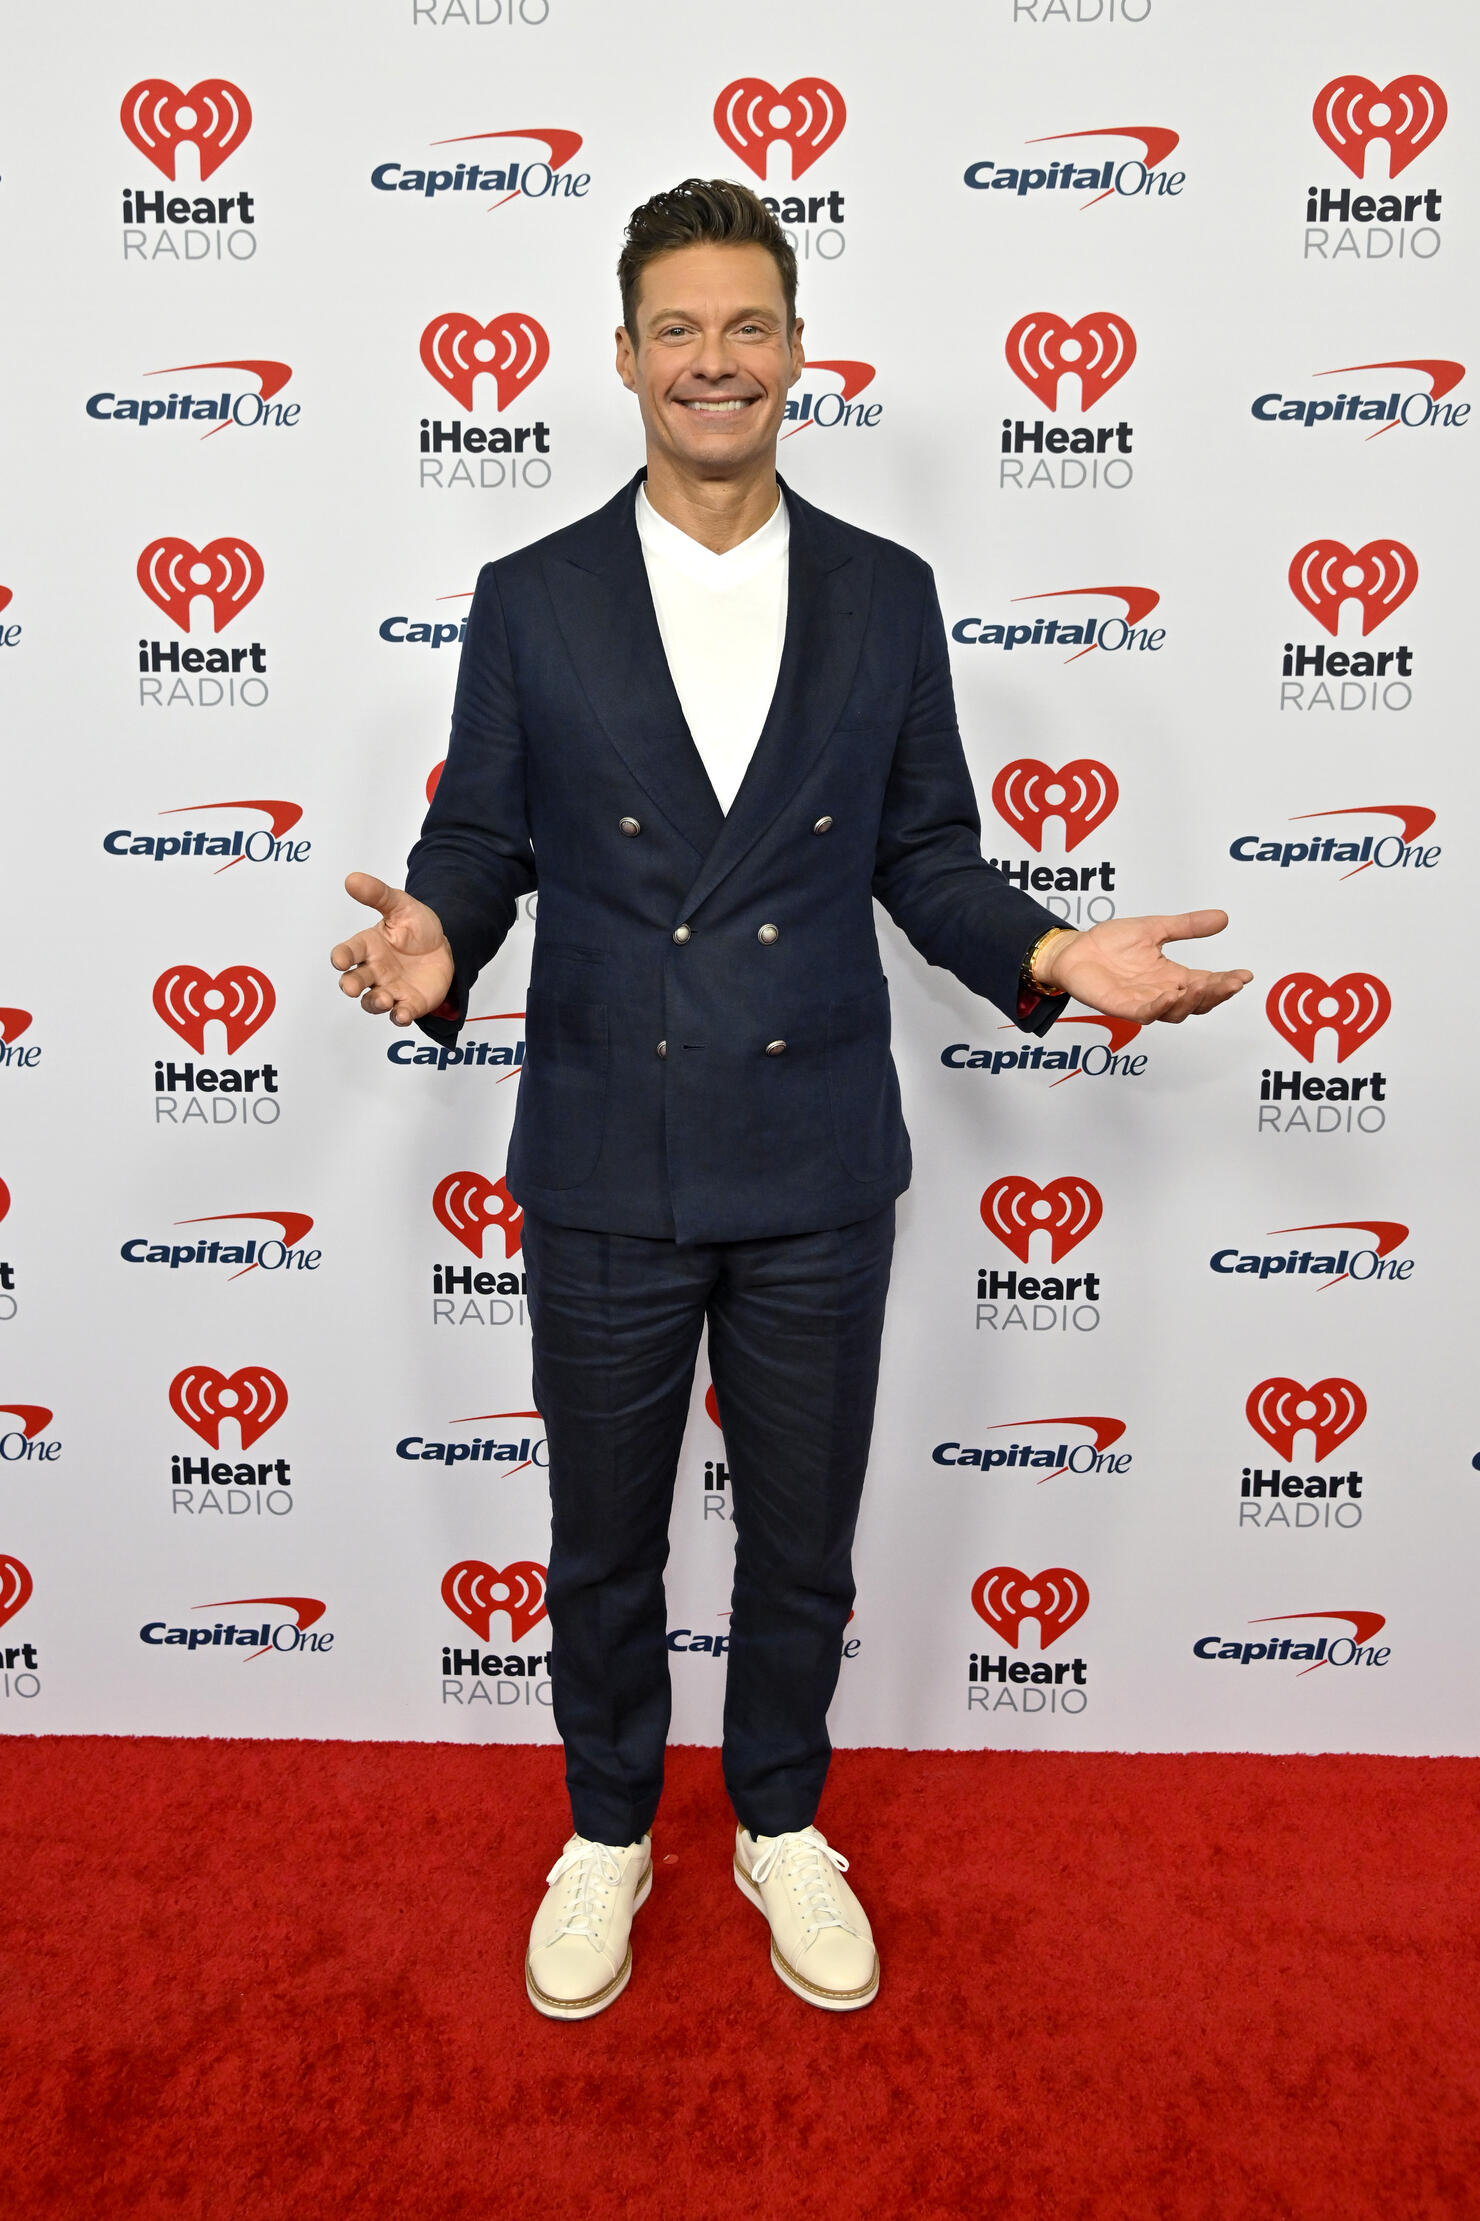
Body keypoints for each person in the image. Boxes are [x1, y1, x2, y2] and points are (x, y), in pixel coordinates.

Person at [330, 178, 1251, 2020]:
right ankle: (607, 1830)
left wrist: (1057, 956)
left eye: (747, 325)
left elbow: (927, 856)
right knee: (600, 1533)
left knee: (806, 1533)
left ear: (799, 353)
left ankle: (778, 1820)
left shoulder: (887, 595)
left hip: (820, 1147)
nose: (714, 360)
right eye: (678, 328)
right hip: (600, 1142)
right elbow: (478, 838)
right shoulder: (532, 599)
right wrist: (439, 934)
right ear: (622, 358)